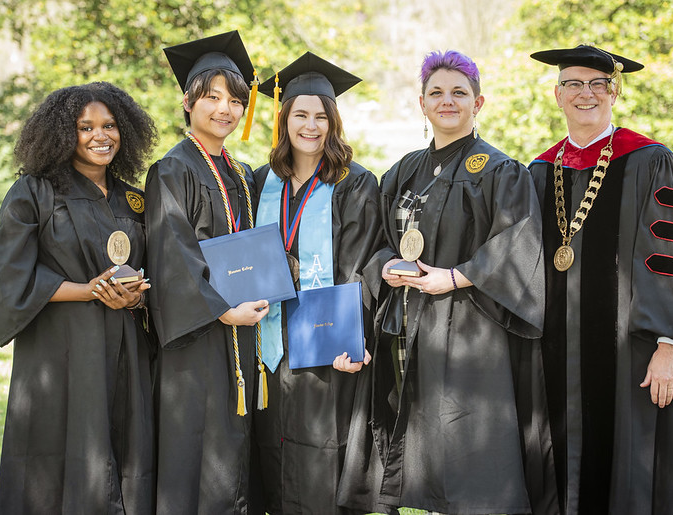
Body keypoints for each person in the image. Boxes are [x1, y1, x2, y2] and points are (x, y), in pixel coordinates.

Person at [337, 50, 548, 515]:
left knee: (467, 442)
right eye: (437, 93)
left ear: (479, 102)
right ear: (421, 103)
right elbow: (377, 242)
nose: (447, 101)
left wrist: (457, 277)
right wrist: (387, 265)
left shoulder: (499, 171)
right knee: (422, 438)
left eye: (459, 92)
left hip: (472, 330)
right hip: (409, 326)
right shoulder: (403, 171)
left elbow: (518, 241)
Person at [528, 44, 673, 514]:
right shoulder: (539, 169)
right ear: (557, 95)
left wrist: (670, 347)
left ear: (613, 93)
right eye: (573, 84)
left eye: (597, 84)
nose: (585, 94)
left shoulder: (650, 160)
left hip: (631, 354)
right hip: (554, 355)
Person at [0, 82, 158, 513]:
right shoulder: (34, 193)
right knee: (63, 446)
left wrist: (134, 299)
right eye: (86, 127)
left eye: (110, 125)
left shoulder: (134, 199)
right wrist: (90, 290)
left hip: (125, 348)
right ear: (63, 133)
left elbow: (157, 271)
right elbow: (9, 277)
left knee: (125, 442)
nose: (102, 135)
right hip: (60, 351)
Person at [248, 52, 383, 515]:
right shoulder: (259, 181)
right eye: (300, 114)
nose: (310, 125)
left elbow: (361, 267)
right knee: (270, 449)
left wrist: (352, 337)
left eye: (320, 116)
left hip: (324, 347)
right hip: (266, 341)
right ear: (284, 119)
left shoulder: (355, 184)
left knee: (323, 454)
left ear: (333, 122)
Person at [144, 30, 269, 514]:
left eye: (236, 100)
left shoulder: (240, 172)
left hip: (243, 328)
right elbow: (171, 256)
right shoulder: (171, 171)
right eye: (212, 97)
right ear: (188, 101)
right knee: (199, 448)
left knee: (234, 447)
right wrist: (222, 312)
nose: (226, 109)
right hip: (199, 337)